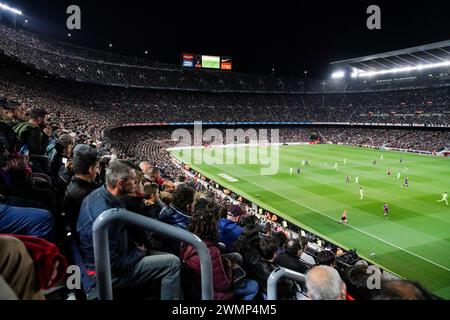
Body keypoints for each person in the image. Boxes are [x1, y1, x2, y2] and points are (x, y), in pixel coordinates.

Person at [77, 160, 181, 300]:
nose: (136, 184)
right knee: (173, 263)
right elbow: (113, 266)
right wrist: (138, 253)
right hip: (106, 274)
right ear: (120, 183)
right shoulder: (107, 216)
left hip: (113, 257)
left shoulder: (97, 194)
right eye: (133, 181)